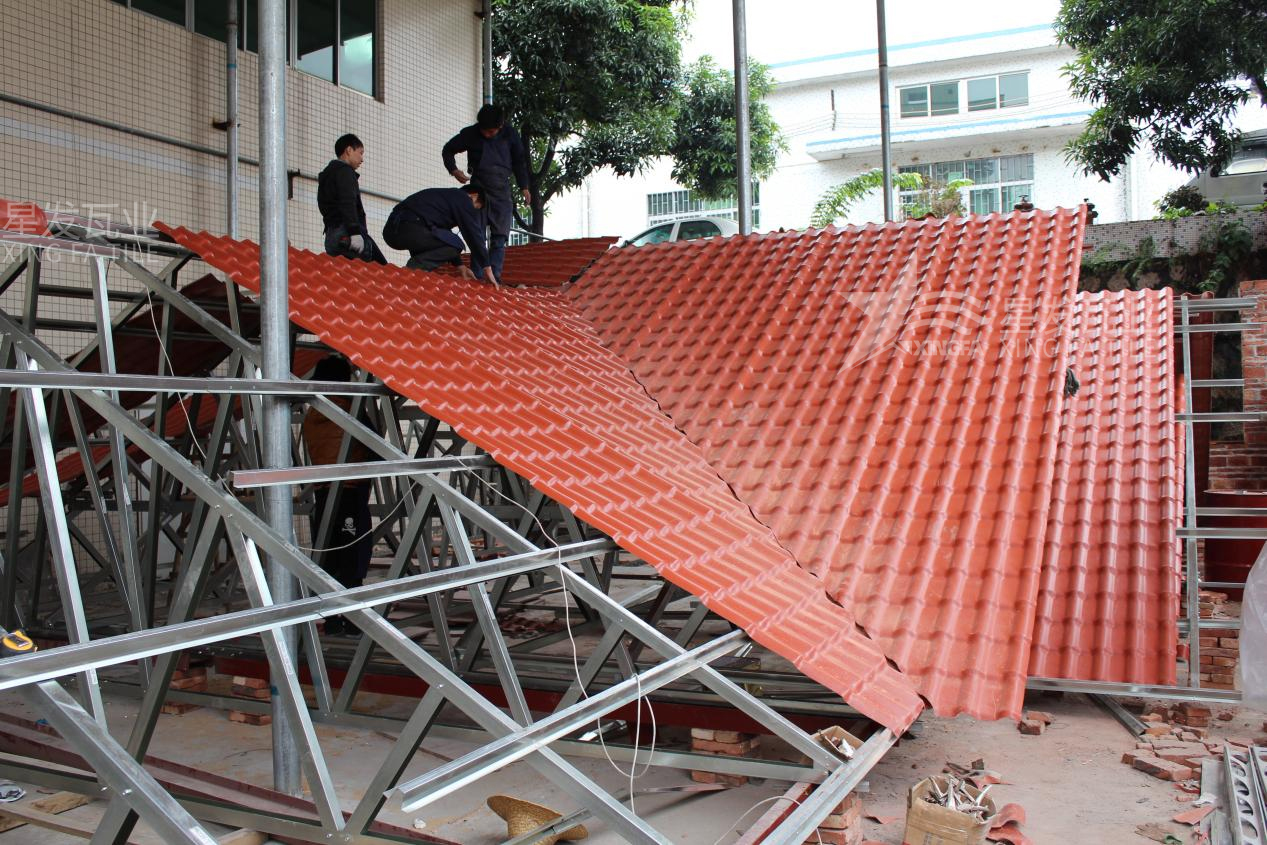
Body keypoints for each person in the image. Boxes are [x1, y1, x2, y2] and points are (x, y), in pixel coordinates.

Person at [302, 355, 375, 635]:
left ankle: (332, 619)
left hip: (324, 491)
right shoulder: (347, 411)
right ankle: (355, 620)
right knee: (353, 554)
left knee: (330, 553)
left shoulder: (313, 415)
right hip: (350, 492)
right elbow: (374, 442)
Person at [441, 104, 531, 283]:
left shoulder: (510, 135)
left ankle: (494, 276)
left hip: (502, 190)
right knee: (477, 234)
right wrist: (454, 170)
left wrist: (524, 186)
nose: (486, 134)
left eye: (491, 132)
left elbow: (519, 161)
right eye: (484, 131)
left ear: (501, 126)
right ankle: (477, 275)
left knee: (500, 236)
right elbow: (448, 150)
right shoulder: (471, 134)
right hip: (478, 188)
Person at [382, 185, 498, 284]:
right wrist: (487, 267)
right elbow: (473, 233)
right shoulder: (463, 198)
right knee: (457, 244)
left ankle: (417, 270)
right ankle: (414, 268)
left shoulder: (445, 199)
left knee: (445, 239)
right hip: (411, 228)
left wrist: (460, 266)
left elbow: (444, 236)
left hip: (391, 232)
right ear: (474, 196)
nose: (473, 211)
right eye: (476, 207)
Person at [317, 134, 387, 264]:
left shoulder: (327, 174)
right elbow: (347, 202)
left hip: (331, 236)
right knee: (381, 268)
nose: (362, 159)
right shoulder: (345, 171)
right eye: (360, 153)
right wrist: (355, 232)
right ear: (349, 150)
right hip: (346, 234)